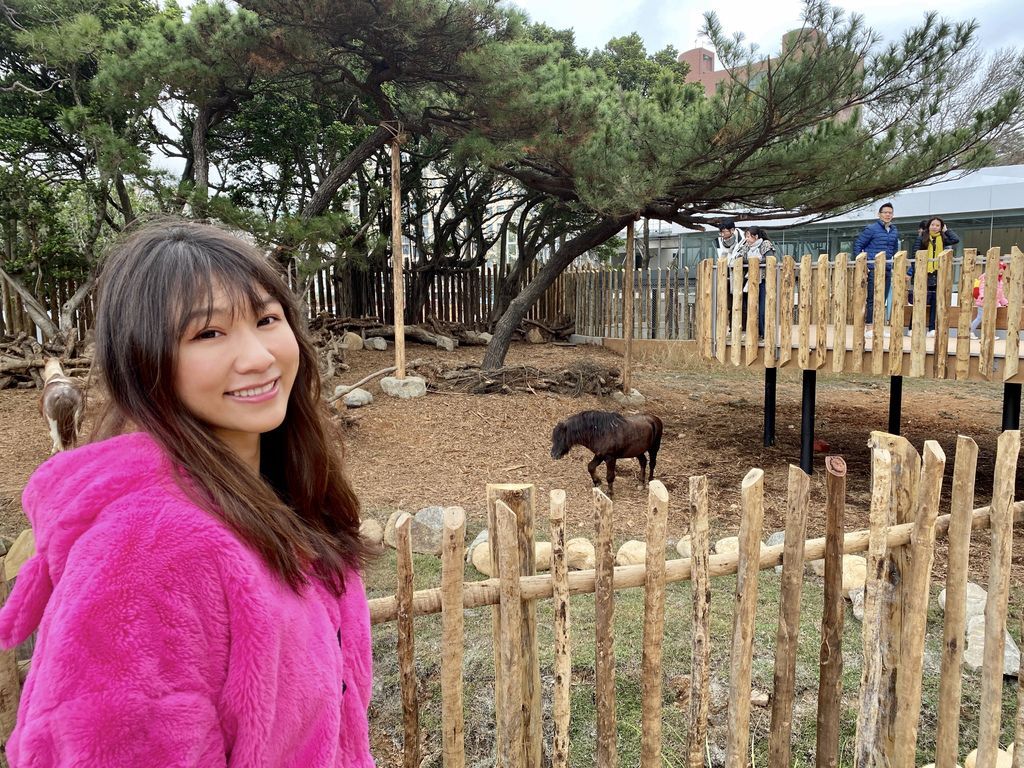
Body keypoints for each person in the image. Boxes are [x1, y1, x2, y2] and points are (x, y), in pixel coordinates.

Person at [0, 221, 377, 767]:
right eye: (208, 334)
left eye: (267, 319)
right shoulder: (145, 550)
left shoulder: (285, 497)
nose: (258, 357)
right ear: (143, 360)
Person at [908, 216, 960, 336]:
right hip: (923, 274)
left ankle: (931, 328)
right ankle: (912, 327)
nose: (935, 227)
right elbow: (914, 255)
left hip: (937, 274)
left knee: (935, 302)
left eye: (938, 225)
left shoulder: (943, 238)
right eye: (933, 224)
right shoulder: (921, 238)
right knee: (919, 301)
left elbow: (955, 239)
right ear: (928, 226)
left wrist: (947, 231)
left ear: (941, 227)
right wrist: (918, 273)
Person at [854, 202, 900, 334]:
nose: (887, 215)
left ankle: (878, 328)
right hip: (873, 268)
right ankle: (869, 327)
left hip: (887, 268)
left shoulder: (894, 230)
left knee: (883, 298)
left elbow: (894, 249)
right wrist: (864, 266)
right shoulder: (871, 229)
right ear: (879, 214)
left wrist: (893, 265)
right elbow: (858, 245)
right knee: (872, 299)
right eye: (885, 212)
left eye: (890, 213)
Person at [735, 225, 777, 337]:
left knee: (762, 309)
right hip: (749, 281)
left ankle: (764, 333)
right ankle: (754, 332)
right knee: (750, 307)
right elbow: (738, 257)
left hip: (763, 280)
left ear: (756, 236)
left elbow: (770, 258)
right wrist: (750, 261)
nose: (747, 239)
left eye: (748, 236)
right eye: (746, 236)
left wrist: (756, 261)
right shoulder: (746, 246)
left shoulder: (765, 244)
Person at [970, 260, 1009, 339]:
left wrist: (1004, 302)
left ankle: (989, 335)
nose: (1002, 271)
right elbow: (982, 288)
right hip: (983, 301)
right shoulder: (986, 277)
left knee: (991, 318)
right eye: (1000, 269)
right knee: (980, 317)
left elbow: (1000, 294)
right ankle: (970, 332)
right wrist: (983, 297)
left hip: (992, 302)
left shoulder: (999, 280)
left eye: (1003, 270)